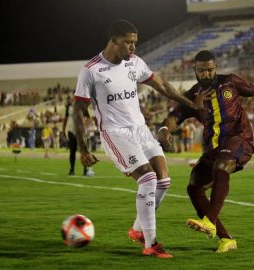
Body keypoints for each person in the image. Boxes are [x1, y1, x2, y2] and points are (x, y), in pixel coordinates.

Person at [73, 19, 202, 258]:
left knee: (163, 180)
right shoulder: (91, 70)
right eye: (128, 43)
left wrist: (190, 104)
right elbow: (78, 112)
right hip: (115, 133)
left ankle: (136, 230)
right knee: (148, 178)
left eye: (135, 43)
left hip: (140, 130)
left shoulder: (134, 63)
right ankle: (151, 244)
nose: (133, 48)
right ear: (113, 41)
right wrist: (82, 148)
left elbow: (161, 84)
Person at [157, 50, 254, 253]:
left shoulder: (230, 82)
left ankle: (209, 221)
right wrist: (164, 130)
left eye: (210, 70)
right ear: (194, 70)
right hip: (213, 148)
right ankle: (227, 240)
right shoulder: (192, 97)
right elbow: (173, 118)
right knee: (194, 187)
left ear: (215, 67)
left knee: (222, 166)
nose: (206, 74)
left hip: (239, 138)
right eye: (201, 71)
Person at [62, 96, 94, 176]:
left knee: (83, 150)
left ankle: (85, 170)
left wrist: (84, 125)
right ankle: (72, 170)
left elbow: (89, 118)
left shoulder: (81, 106)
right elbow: (65, 119)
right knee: (72, 151)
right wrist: (63, 130)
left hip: (80, 131)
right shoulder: (69, 106)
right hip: (71, 130)